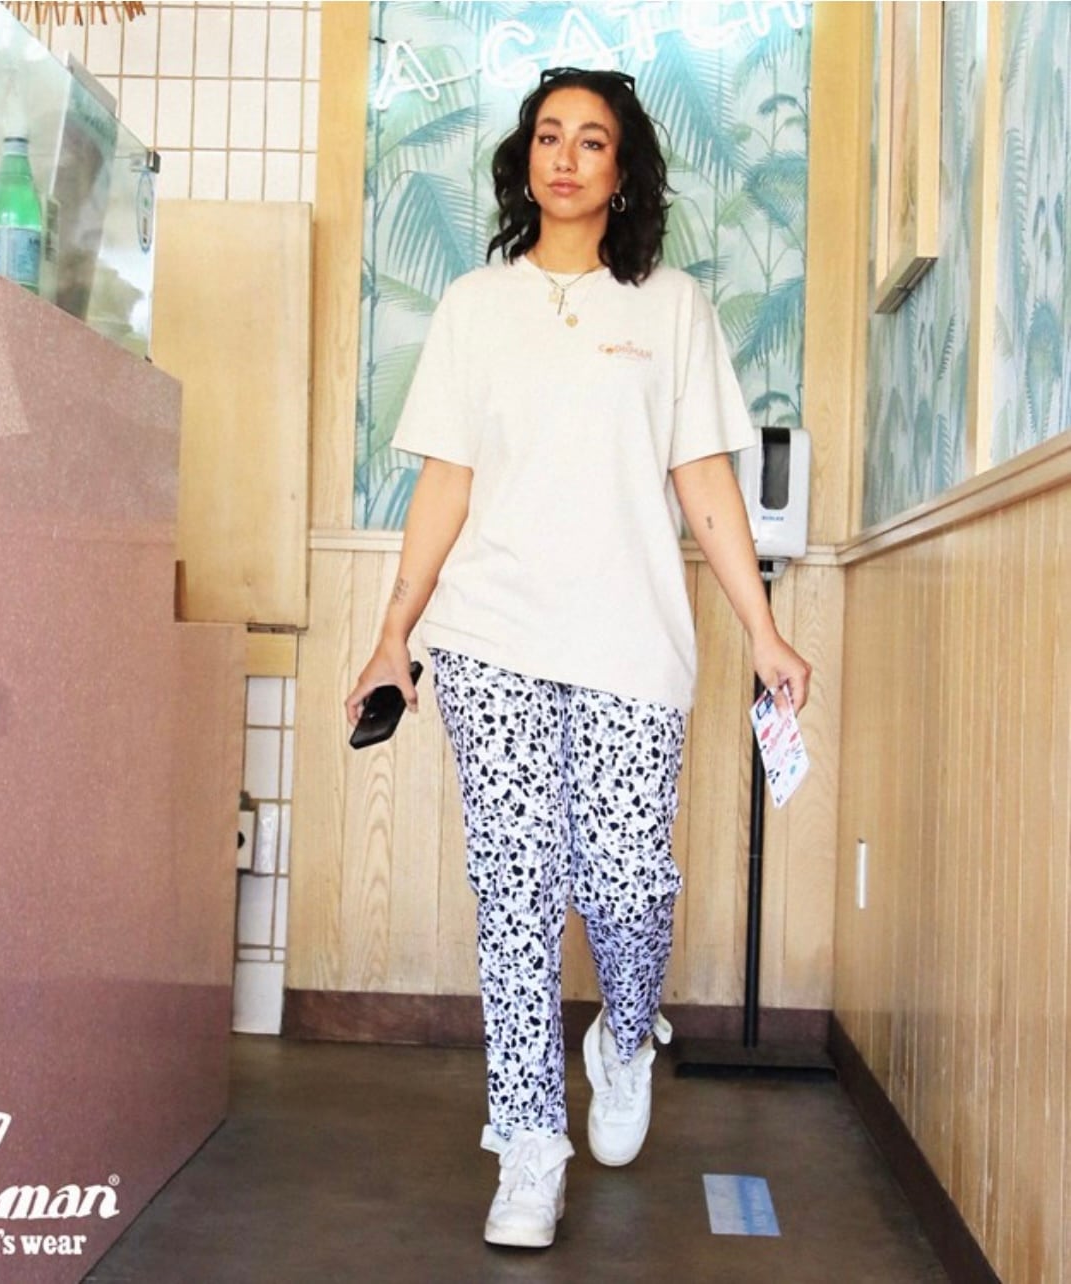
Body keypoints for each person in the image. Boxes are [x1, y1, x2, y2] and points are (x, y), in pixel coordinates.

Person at [345, 66, 811, 1251]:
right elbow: (446, 482)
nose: (564, 156)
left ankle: (625, 1031)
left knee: (627, 881)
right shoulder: (475, 306)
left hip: (630, 637)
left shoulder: (671, 308)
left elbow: (704, 480)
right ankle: (528, 1150)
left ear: (622, 169)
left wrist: (762, 631)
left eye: (591, 140)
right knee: (515, 890)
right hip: (491, 634)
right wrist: (395, 632)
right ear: (526, 161)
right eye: (548, 135)